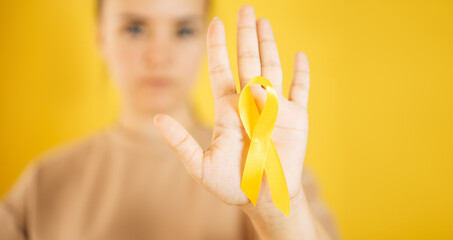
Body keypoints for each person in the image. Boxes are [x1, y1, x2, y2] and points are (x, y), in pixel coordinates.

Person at [0, 0, 339, 239]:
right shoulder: (42, 185)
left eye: (183, 30)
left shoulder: (266, 170)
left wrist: (276, 212)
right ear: (100, 36)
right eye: (134, 28)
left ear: (205, 37)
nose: (159, 56)